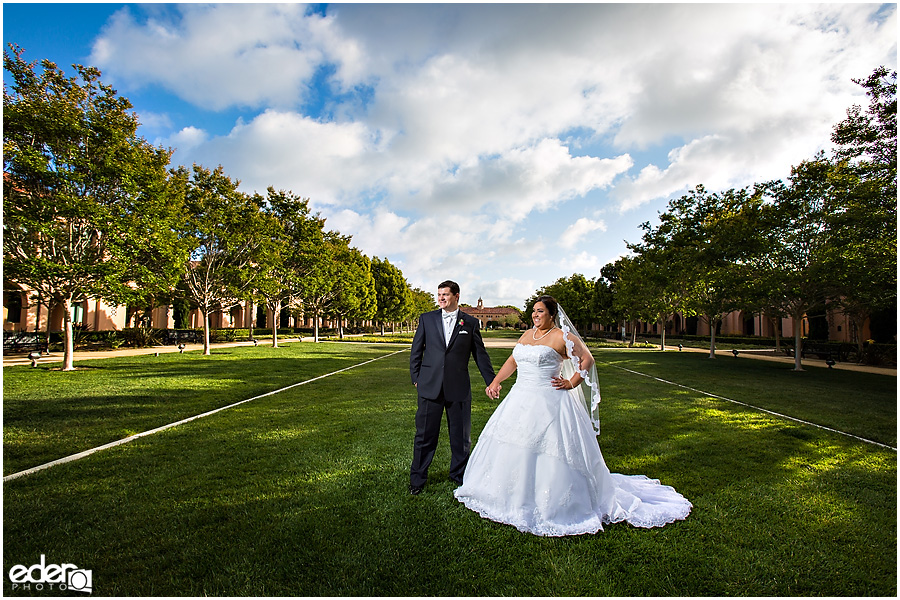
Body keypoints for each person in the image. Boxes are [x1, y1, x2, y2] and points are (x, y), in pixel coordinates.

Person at [454, 295, 692, 536]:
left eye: (540, 311)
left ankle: (554, 502)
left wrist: (571, 382)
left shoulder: (562, 337)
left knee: (551, 450)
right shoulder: (527, 335)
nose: (536, 315)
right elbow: (513, 361)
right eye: (534, 311)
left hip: (550, 401)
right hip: (519, 399)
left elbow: (587, 359)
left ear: (552, 314)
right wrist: (495, 381)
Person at [408, 280, 496, 495]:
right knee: (425, 436)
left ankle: (458, 475)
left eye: (445, 295)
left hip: (458, 387)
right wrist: (416, 378)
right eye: (439, 295)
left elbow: (480, 356)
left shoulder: (471, 323)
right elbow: (416, 351)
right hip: (429, 387)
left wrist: (491, 381)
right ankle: (417, 480)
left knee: (461, 437)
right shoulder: (427, 319)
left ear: (456, 296)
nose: (441, 299)